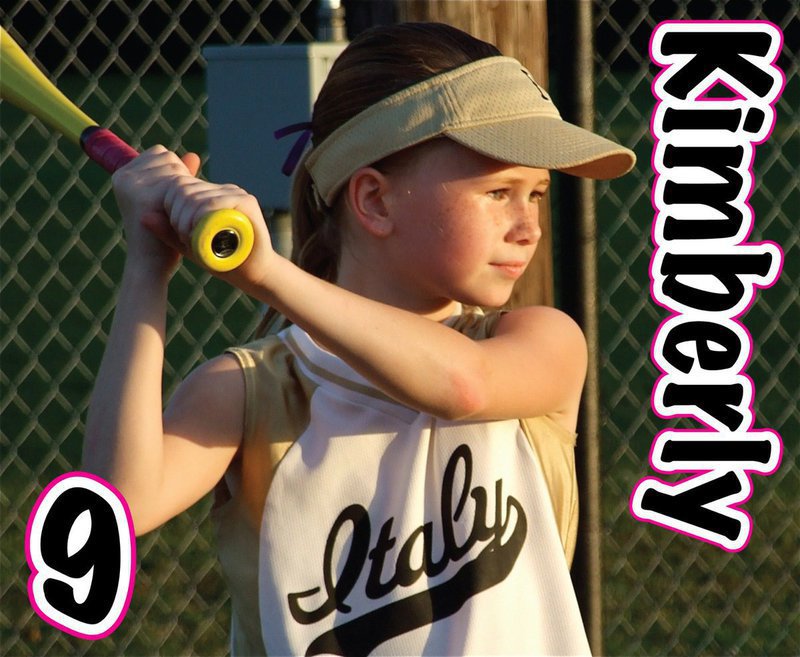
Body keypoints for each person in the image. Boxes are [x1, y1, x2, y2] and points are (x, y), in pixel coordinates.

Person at [84, 22, 634, 656]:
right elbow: (113, 508)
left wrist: (268, 274)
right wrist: (147, 265)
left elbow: (460, 385)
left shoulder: (540, 341)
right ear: (374, 201)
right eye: (498, 192)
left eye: (536, 194)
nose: (528, 227)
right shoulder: (252, 389)